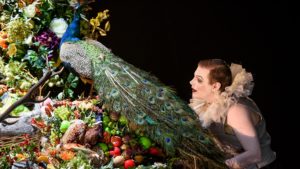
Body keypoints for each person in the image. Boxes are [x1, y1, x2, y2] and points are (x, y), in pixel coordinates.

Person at [189, 59, 276, 169]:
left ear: (215, 86)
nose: (191, 82)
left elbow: (255, 155)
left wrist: (220, 166)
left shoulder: (235, 110)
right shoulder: (207, 105)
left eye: (199, 80)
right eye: (193, 77)